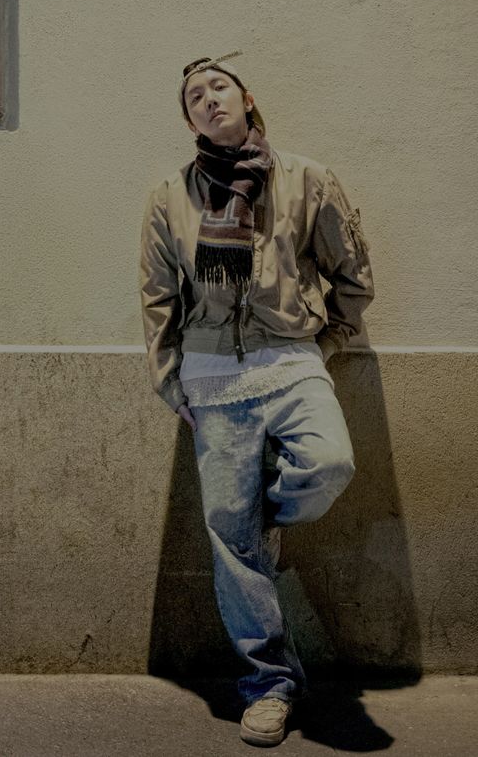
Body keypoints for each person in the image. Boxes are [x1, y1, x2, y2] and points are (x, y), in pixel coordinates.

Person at [139, 51, 374, 748]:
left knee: (329, 463)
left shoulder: (306, 179)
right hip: (212, 376)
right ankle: (269, 685)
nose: (208, 98)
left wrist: (325, 344)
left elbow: (353, 278)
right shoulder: (169, 197)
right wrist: (170, 380)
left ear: (246, 99)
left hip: (293, 362)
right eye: (194, 96)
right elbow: (157, 299)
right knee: (231, 543)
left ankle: (265, 517)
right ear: (189, 121)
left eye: (219, 86)